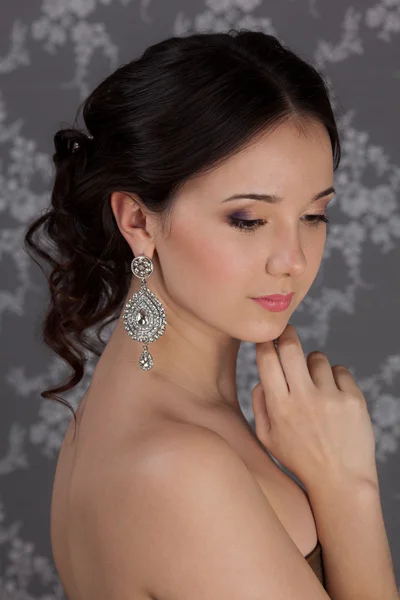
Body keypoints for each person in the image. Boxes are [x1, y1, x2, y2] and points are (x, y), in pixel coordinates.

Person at [24, 29, 399, 600]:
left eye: (315, 215)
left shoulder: (109, 415)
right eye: (248, 219)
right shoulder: (179, 471)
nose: (293, 260)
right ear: (139, 222)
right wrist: (349, 489)